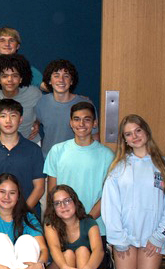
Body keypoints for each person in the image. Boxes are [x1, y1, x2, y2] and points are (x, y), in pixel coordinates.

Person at [101, 114, 165, 269]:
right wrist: (118, 239)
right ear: (124, 140)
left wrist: (159, 237)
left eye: (138, 130)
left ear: (146, 131)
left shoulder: (164, 166)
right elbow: (110, 207)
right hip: (125, 237)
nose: (135, 136)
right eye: (128, 134)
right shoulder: (118, 168)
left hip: (152, 237)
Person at [44, 102, 115, 237]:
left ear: (94, 123)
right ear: (71, 123)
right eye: (76, 119)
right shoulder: (57, 151)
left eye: (86, 119)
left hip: (95, 227)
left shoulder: (107, 156)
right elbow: (52, 193)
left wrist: (86, 223)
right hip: (63, 226)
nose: (81, 124)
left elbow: (108, 195)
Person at [0, 99, 45, 214]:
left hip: (26, 216)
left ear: (20, 119)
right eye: (3, 116)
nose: (8, 120)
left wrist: (22, 213)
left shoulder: (33, 150)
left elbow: (39, 187)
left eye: (13, 116)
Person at [42, 185, 102, 269]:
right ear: (53, 208)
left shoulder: (89, 222)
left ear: (75, 201)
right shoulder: (50, 223)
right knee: (67, 254)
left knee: (83, 250)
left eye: (67, 201)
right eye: (57, 203)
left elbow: (99, 251)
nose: (63, 206)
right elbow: (54, 248)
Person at [35, 59, 93, 158]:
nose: (61, 80)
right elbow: (35, 121)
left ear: (71, 81)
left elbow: (94, 136)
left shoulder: (85, 104)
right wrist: (35, 124)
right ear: (49, 80)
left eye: (66, 76)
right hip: (48, 159)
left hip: (77, 159)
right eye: (56, 76)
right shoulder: (41, 102)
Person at [0, 54, 42, 142]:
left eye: (15, 76)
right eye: (5, 76)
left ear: (21, 79)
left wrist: (37, 123)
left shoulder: (33, 93)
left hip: (31, 141)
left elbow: (43, 114)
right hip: (3, 143)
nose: (10, 80)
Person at [0, 27, 44, 97]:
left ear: (17, 46)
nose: (7, 44)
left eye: (11, 40)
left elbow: (45, 86)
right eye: (2, 40)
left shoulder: (26, 69)